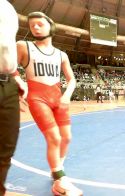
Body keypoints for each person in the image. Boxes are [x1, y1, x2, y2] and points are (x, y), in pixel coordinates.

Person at [16, 12, 83, 195]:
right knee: (54, 138)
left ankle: (56, 169)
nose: (35, 27)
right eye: (32, 26)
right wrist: (19, 85)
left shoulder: (61, 54)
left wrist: (67, 95)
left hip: (58, 98)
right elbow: (8, 66)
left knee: (66, 138)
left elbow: (72, 80)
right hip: (38, 98)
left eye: (39, 24)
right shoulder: (23, 46)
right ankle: (60, 179)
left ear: (50, 26)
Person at [0, 1, 28, 195]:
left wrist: (16, 76)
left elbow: (6, 46)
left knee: (6, 147)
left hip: (7, 81)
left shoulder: (8, 9)